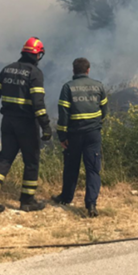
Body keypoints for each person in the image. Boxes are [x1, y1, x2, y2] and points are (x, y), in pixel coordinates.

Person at [0, 37, 52, 213]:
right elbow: (38, 102)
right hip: (26, 124)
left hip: (8, 122)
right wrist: (46, 125)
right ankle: (27, 200)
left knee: (5, 158)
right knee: (31, 161)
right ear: (38, 55)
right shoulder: (35, 73)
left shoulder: (7, 69)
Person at [52, 58, 108, 218]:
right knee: (93, 168)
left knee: (71, 167)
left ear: (73, 70)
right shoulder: (98, 86)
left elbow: (63, 114)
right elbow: (104, 110)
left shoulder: (67, 87)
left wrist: (62, 135)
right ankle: (91, 204)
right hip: (93, 134)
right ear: (88, 70)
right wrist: (97, 124)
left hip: (74, 134)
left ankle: (66, 198)